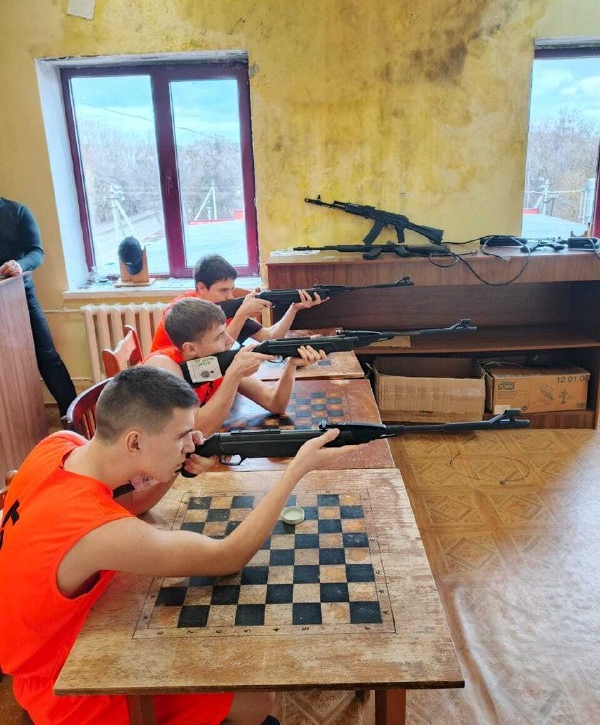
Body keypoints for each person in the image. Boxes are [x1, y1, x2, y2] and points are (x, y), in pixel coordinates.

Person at [0, 366, 357, 724]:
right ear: (134, 442)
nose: (192, 443)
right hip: (64, 682)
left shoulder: (60, 444)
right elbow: (228, 556)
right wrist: (296, 471)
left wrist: (177, 466)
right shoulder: (97, 532)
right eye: (182, 436)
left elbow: (133, 505)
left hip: (47, 643)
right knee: (257, 698)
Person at [145, 297, 325, 437]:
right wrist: (234, 374)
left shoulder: (213, 361)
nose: (230, 340)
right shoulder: (162, 367)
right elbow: (197, 429)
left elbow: (274, 403)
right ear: (190, 348)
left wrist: (291, 364)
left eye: (225, 331)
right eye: (219, 337)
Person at [150, 254, 326, 352]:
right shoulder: (183, 310)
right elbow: (218, 352)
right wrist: (242, 314)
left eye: (232, 289)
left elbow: (270, 336)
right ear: (201, 288)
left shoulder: (225, 307)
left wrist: (293, 308)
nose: (230, 296)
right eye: (223, 290)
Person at [0, 197, 76, 416]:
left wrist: (19, 265)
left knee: (48, 358)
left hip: (22, 297)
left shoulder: (18, 212)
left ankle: (74, 419)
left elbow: (37, 252)